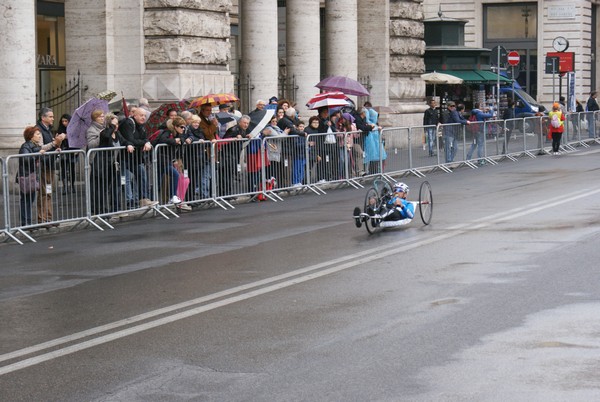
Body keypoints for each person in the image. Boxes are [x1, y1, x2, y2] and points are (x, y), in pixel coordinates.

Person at [120, 107, 158, 208]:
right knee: (127, 180)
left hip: (136, 157)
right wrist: (145, 142)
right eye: (141, 115)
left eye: (145, 116)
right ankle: (130, 201)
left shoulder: (141, 126)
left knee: (142, 176)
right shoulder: (128, 123)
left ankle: (143, 198)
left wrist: (147, 141)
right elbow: (130, 140)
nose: (143, 118)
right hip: (125, 156)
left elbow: (145, 137)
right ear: (134, 115)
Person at [36, 107, 66, 224]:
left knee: (49, 192)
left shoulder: (48, 129)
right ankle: (42, 218)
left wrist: (56, 147)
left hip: (50, 163)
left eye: (53, 116)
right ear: (43, 117)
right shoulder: (38, 130)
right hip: (44, 164)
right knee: (44, 192)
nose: (53, 118)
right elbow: (41, 147)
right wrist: (55, 142)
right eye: (50, 116)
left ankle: (48, 217)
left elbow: (50, 146)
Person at [18, 126, 52, 226]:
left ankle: (28, 223)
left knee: (30, 200)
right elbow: (25, 159)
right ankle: (25, 223)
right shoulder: (25, 146)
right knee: (26, 200)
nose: (39, 136)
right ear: (31, 136)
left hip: (32, 176)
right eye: (37, 134)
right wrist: (38, 154)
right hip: (26, 176)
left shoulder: (34, 146)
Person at [96, 114, 126, 214]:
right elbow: (105, 136)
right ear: (109, 124)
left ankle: (116, 209)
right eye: (114, 124)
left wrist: (129, 144)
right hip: (104, 165)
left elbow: (124, 141)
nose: (116, 126)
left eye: (117, 124)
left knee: (116, 187)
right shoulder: (104, 133)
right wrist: (111, 127)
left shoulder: (118, 134)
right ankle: (103, 210)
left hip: (115, 164)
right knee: (104, 188)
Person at [154, 117, 184, 206]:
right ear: (175, 127)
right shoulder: (167, 132)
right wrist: (174, 141)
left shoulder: (177, 134)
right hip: (161, 160)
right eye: (181, 127)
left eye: (184, 127)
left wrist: (180, 141)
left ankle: (168, 197)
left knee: (159, 181)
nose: (183, 129)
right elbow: (162, 140)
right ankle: (171, 196)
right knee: (174, 175)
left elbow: (182, 139)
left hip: (167, 160)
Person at [86, 109, 106, 214]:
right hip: (95, 159)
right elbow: (91, 144)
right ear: (95, 118)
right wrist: (101, 136)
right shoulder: (91, 130)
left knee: (103, 186)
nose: (102, 118)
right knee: (96, 186)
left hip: (103, 159)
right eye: (100, 116)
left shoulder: (104, 128)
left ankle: (103, 207)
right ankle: (95, 208)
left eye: (103, 116)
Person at [56, 113, 77, 194]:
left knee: (72, 169)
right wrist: (60, 138)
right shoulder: (60, 129)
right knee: (64, 169)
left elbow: (77, 139)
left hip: (72, 150)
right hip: (63, 150)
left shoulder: (73, 129)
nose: (64, 123)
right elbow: (57, 142)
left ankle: (72, 185)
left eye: (66, 121)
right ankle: (65, 187)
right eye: (63, 121)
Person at [363, 102, 386, 174]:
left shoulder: (373, 123)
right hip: (372, 140)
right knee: (371, 155)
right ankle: (372, 170)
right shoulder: (372, 124)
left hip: (374, 141)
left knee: (374, 155)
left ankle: (374, 170)